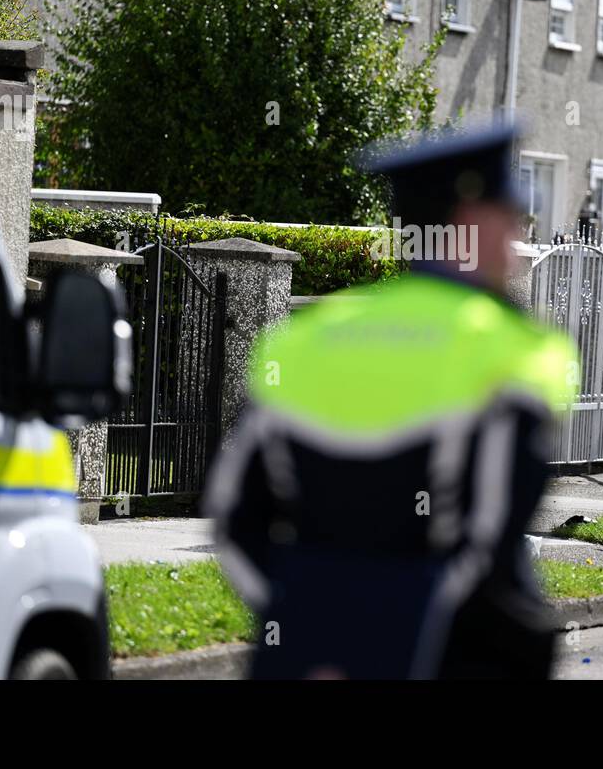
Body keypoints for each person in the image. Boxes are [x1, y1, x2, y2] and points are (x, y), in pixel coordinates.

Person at [205, 119, 576, 679]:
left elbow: (234, 516)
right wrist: (400, 623)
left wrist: (302, 613)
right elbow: (491, 540)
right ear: (470, 221)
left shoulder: (307, 337)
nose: (519, 241)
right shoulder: (516, 349)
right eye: (512, 219)